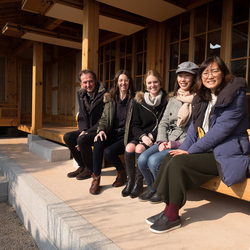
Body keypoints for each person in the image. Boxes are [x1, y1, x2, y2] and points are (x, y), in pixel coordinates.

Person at [146, 56, 250, 234]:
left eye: (214, 71)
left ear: (224, 73)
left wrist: (190, 152)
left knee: (179, 163)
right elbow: (195, 130)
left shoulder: (236, 96)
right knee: (170, 157)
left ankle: (172, 216)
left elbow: (220, 131)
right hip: (206, 149)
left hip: (225, 151)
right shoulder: (202, 98)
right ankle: (167, 209)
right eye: (205, 72)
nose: (209, 76)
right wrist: (184, 148)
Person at [137, 62, 199, 204]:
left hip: (183, 142)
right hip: (166, 139)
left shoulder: (199, 100)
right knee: (141, 159)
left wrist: (172, 144)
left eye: (187, 76)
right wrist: (161, 141)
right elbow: (163, 122)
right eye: (180, 76)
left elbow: (195, 131)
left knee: (153, 161)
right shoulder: (174, 98)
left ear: (194, 78)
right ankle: (153, 188)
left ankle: (162, 191)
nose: (183, 79)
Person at [122, 70, 168, 199]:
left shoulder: (166, 100)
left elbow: (163, 124)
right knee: (129, 148)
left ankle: (139, 182)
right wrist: (143, 136)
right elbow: (134, 124)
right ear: (145, 85)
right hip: (141, 135)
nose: (152, 85)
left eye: (155, 82)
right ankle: (131, 181)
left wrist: (151, 136)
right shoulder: (139, 101)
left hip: (157, 136)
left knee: (139, 148)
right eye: (149, 83)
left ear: (160, 82)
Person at [89, 70, 135, 195]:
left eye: (126, 80)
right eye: (120, 80)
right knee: (98, 141)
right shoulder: (111, 99)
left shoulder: (134, 100)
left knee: (109, 152)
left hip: (126, 136)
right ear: (116, 82)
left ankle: (121, 172)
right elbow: (104, 118)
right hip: (113, 133)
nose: (123, 83)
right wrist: (101, 130)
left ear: (129, 82)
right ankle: (96, 178)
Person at [64, 69, 106, 180]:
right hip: (88, 129)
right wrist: (83, 130)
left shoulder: (104, 94)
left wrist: (86, 133)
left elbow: (104, 119)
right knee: (68, 137)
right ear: (80, 84)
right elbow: (82, 116)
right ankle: (82, 166)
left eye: (90, 81)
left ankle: (89, 168)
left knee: (81, 139)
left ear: (96, 80)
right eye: (85, 82)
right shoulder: (81, 94)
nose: (88, 84)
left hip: (101, 130)